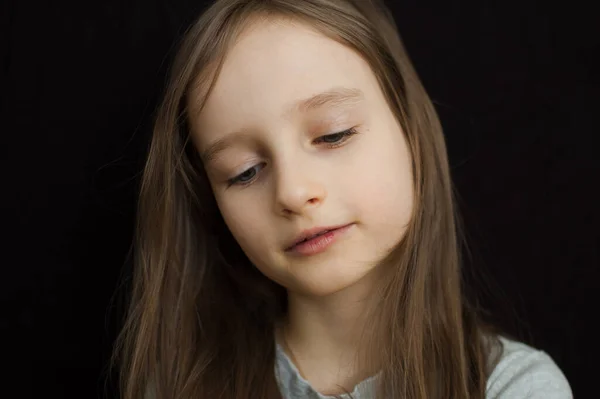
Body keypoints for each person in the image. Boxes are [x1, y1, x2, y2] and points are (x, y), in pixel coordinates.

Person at [113, 0, 573, 398]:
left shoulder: (513, 387)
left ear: (411, 129)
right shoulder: (179, 385)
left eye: (334, 135)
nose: (293, 193)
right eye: (244, 172)